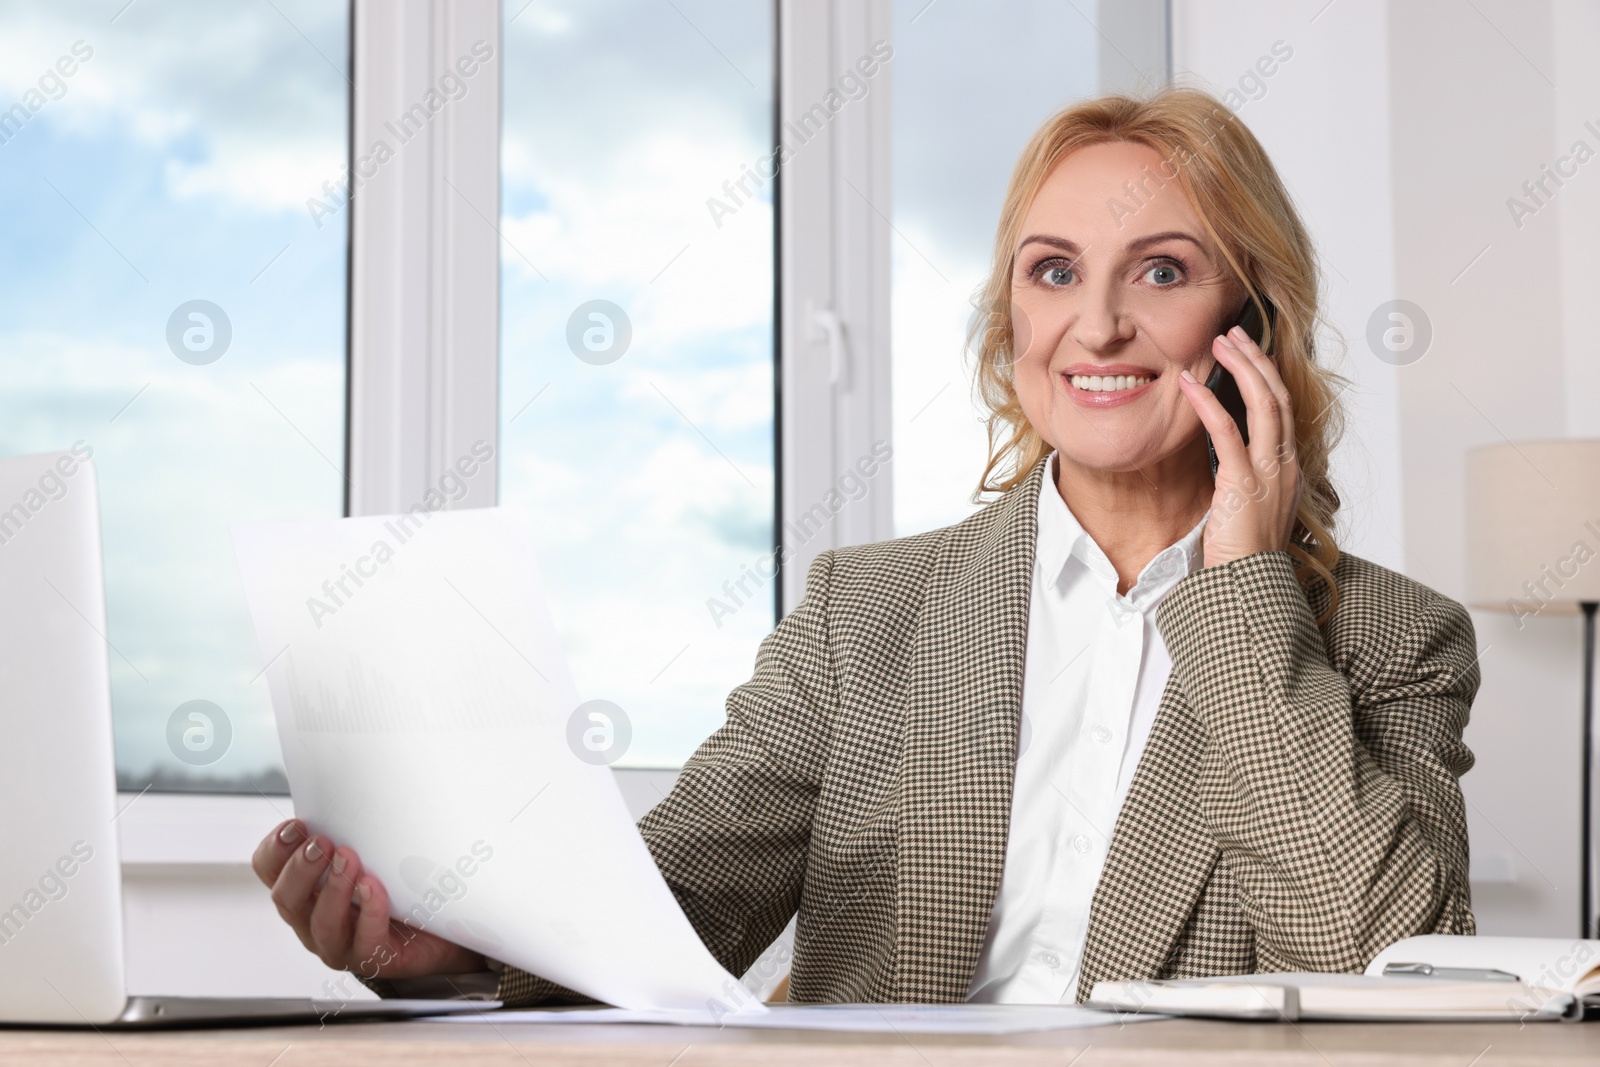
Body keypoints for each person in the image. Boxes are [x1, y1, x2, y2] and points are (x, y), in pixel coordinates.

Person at [253, 88, 1478, 1006]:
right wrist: (457, 954)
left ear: (1249, 323)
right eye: (1052, 272)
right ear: (1013, 324)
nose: (1096, 323)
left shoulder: (1390, 639)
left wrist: (1244, 593)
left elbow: (1378, 966)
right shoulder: (866, 609)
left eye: (1160, 270)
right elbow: (666, 921)